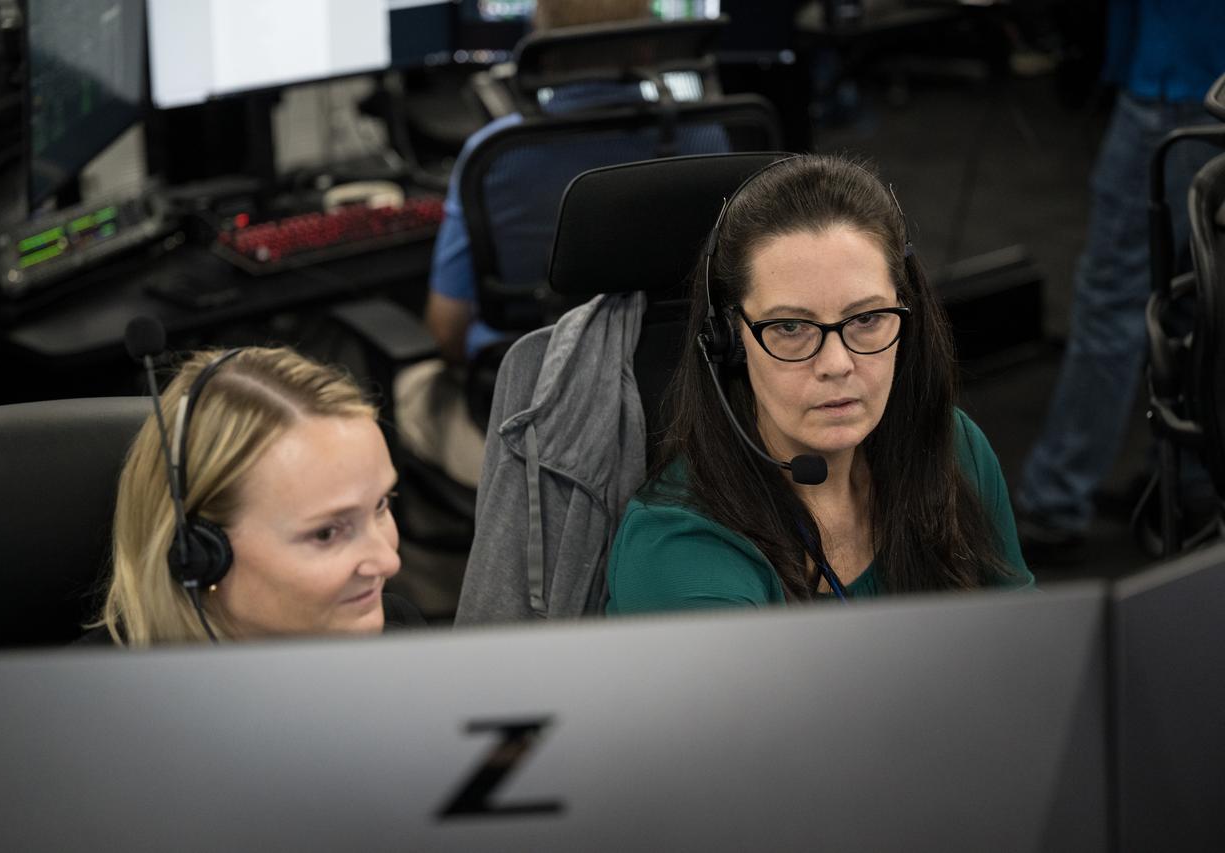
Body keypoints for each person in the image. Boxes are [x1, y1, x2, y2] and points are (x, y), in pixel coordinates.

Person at [607, 154, 1034, 614]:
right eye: (791, 327)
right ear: (728, 341)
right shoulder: (679, 549)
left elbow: (1031, 653)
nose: (837, 363)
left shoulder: (951, 446)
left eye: (867, 318)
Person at [396, 0, 694, 488]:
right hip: (674, 412)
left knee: (411, 391)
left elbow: (446, 332)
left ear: (544, 52)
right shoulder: (707, 133)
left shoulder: (497, 156)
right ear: (646, 44)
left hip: (534, 417)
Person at [1014, 1, 1225, 557]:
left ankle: (1054, 502)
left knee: (1116, 301)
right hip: (1201, 79)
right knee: (1195, 292)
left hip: (1175, 80)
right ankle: (1187, 481)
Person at [84, 346, 420, 646]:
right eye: (326, 533)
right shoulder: (85, 707)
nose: (389, 563)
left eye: (380, 504)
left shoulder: (400, 639)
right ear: (199, 554)